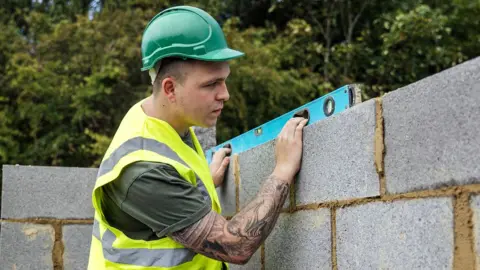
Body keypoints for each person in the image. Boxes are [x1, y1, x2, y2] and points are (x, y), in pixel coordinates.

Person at [87, 5, 308, 270]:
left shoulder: (164, 119)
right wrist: (282, 171)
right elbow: (235, 245)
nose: (224, 94)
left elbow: (170, 184)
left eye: (224, 80)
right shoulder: (142, 171)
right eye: (210, 84)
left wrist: (204, 182)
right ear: (170, 88)